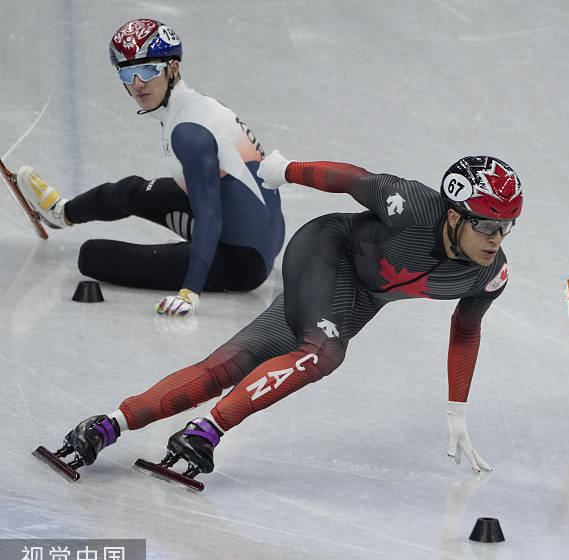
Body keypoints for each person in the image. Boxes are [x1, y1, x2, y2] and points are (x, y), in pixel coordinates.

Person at [42, 151, 522, 479]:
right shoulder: (413, 204)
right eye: (487, 225)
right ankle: (206, 432)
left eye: (506, 227)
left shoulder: (488, 276)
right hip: (325, 250)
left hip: (357, 300)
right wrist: (286, 168)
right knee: (323, 352)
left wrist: (457, 407)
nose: (496, 239)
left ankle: (106, 425)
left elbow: (466, 331)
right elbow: (351, 179)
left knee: (231, 364)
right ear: (455, 215)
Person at [18, 18, 285, 316]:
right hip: (263, 237)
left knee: (92, 256)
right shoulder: (201, 106)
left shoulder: (188, 132)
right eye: (128, 72)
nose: (137, 84)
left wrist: (189, 293)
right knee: (131, 191)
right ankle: (61, 213)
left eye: (147, 70)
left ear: (173, 69)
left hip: (241, 262)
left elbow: (209, 217)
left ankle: (196, 262)